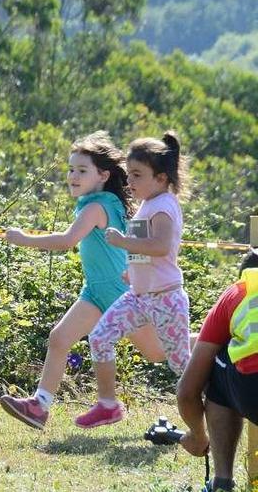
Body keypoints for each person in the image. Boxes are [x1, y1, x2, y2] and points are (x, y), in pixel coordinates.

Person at [0, 131, 166, 430]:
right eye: (71, 169)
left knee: (157, 352)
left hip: (117, 293)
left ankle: (213, 343)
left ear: (103, 175)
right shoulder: (101, 203)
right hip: (96, 293)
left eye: (82, 170)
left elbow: (67, 241)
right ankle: (40, 406)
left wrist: (24, 239)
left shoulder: (96, 207)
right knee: (59, 338)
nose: (73, 176)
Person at [76, 131, 192, 428]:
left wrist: (123, 242)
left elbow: (161, 246)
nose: (130, 182)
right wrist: (133, 270)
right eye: (129, 175)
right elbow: (147, 252)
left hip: (165, 298)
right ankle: (107, 405)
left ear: (162, 178)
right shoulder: (148, 204)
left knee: (181, 364)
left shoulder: (164, 205)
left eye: (138, 175)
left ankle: (217, 405)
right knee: (100, 337)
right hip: (139, 296)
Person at [176, 248, 258, 492]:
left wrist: (197, 436)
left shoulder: (239, 292)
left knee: (216, 362)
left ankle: (222, 482)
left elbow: (188, 390)